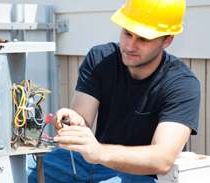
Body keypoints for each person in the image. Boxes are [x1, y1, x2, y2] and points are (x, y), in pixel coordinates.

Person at [28, 0, 201, 182]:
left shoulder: (182, 84)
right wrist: (74, 122)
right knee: (16, 170)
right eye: (127, 33)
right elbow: (83, 121)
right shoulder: (100, 59)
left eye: (143, 39)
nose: (130, 46)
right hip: (88, 163)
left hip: (140, 176)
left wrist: (99, 152)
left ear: (167, 40)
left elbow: (162, 158)